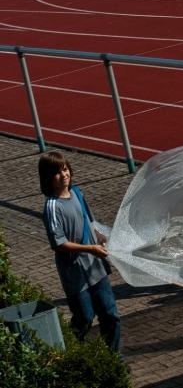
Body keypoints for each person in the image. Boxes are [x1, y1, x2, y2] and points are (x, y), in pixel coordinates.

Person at [39, 151, 120, 352]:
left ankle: (114, 358)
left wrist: (102, 238)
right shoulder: (52, 207)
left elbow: (89, 223)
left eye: (65, 169)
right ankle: (71, 355)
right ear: (48, 178)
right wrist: (91, 248)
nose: (63, 175)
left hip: (95, 268)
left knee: (110, 314)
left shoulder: (77, 193)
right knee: (84, 317)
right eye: (57, 172)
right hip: (75, 272)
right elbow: (59, 244)